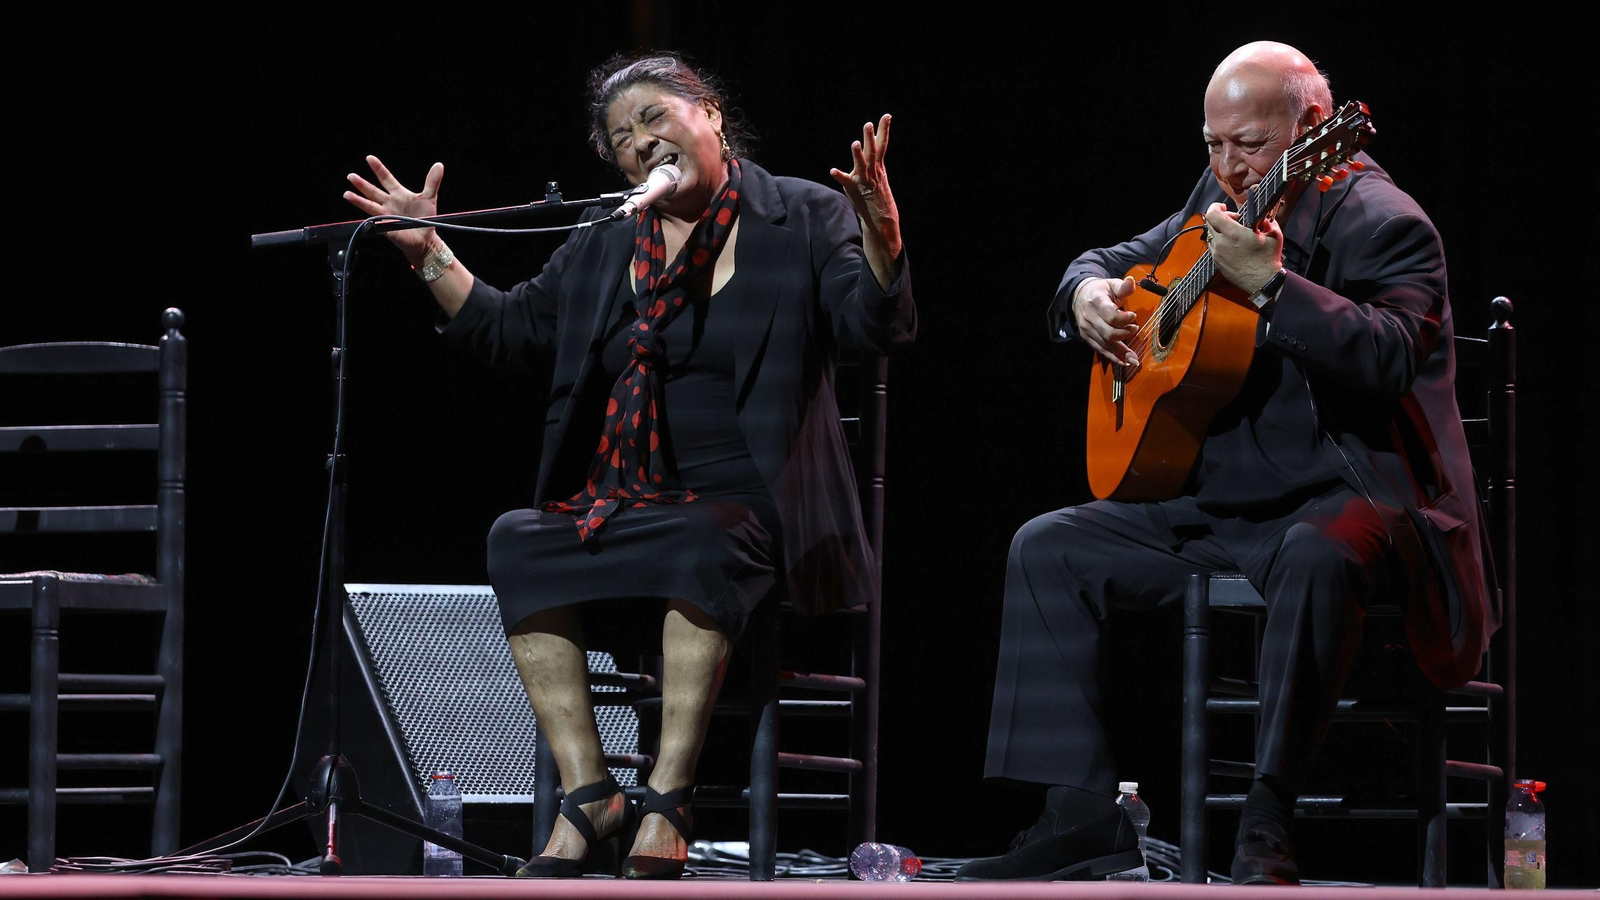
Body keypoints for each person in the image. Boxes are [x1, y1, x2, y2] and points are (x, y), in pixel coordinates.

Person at [341, 52, 914, 879]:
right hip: (634, 505)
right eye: (620, 139)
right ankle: (591, 794)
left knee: (700, 537)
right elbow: (510, 330)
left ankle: (668, 799)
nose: (639, 144)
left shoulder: (805, 215)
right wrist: (426, 249)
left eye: (654, 119)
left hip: (760, 513)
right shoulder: (609, 242)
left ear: (711, 115)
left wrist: (883, 242)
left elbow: (872, 328)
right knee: (516, 538)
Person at [959, 41, 1493, 884]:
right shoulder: (1217, 197)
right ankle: (1081, 814)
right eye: (1212, 145)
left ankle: (1267, 820)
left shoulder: (1387, 222)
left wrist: (1278, 289)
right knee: (1048, 547)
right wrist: (1086, 297)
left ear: (1314, 129)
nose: (1227, 167)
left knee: (1322, 553)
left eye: (1248, 145)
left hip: (1349, 501)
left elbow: (1393, 357)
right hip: (1219, 511)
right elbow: (1109, 260)